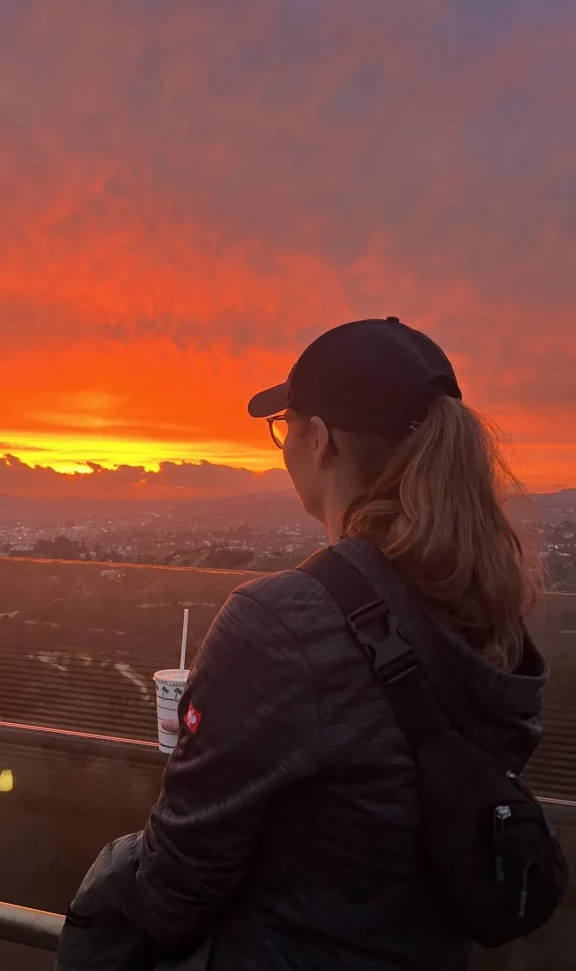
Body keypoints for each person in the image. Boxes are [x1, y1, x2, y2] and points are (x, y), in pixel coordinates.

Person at [57, 317, 547, 971]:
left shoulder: (283, 621)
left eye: (285, 426)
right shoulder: (487, 603)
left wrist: (108, 877)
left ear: (319, 441)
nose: (283, 444)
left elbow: (178, 885)